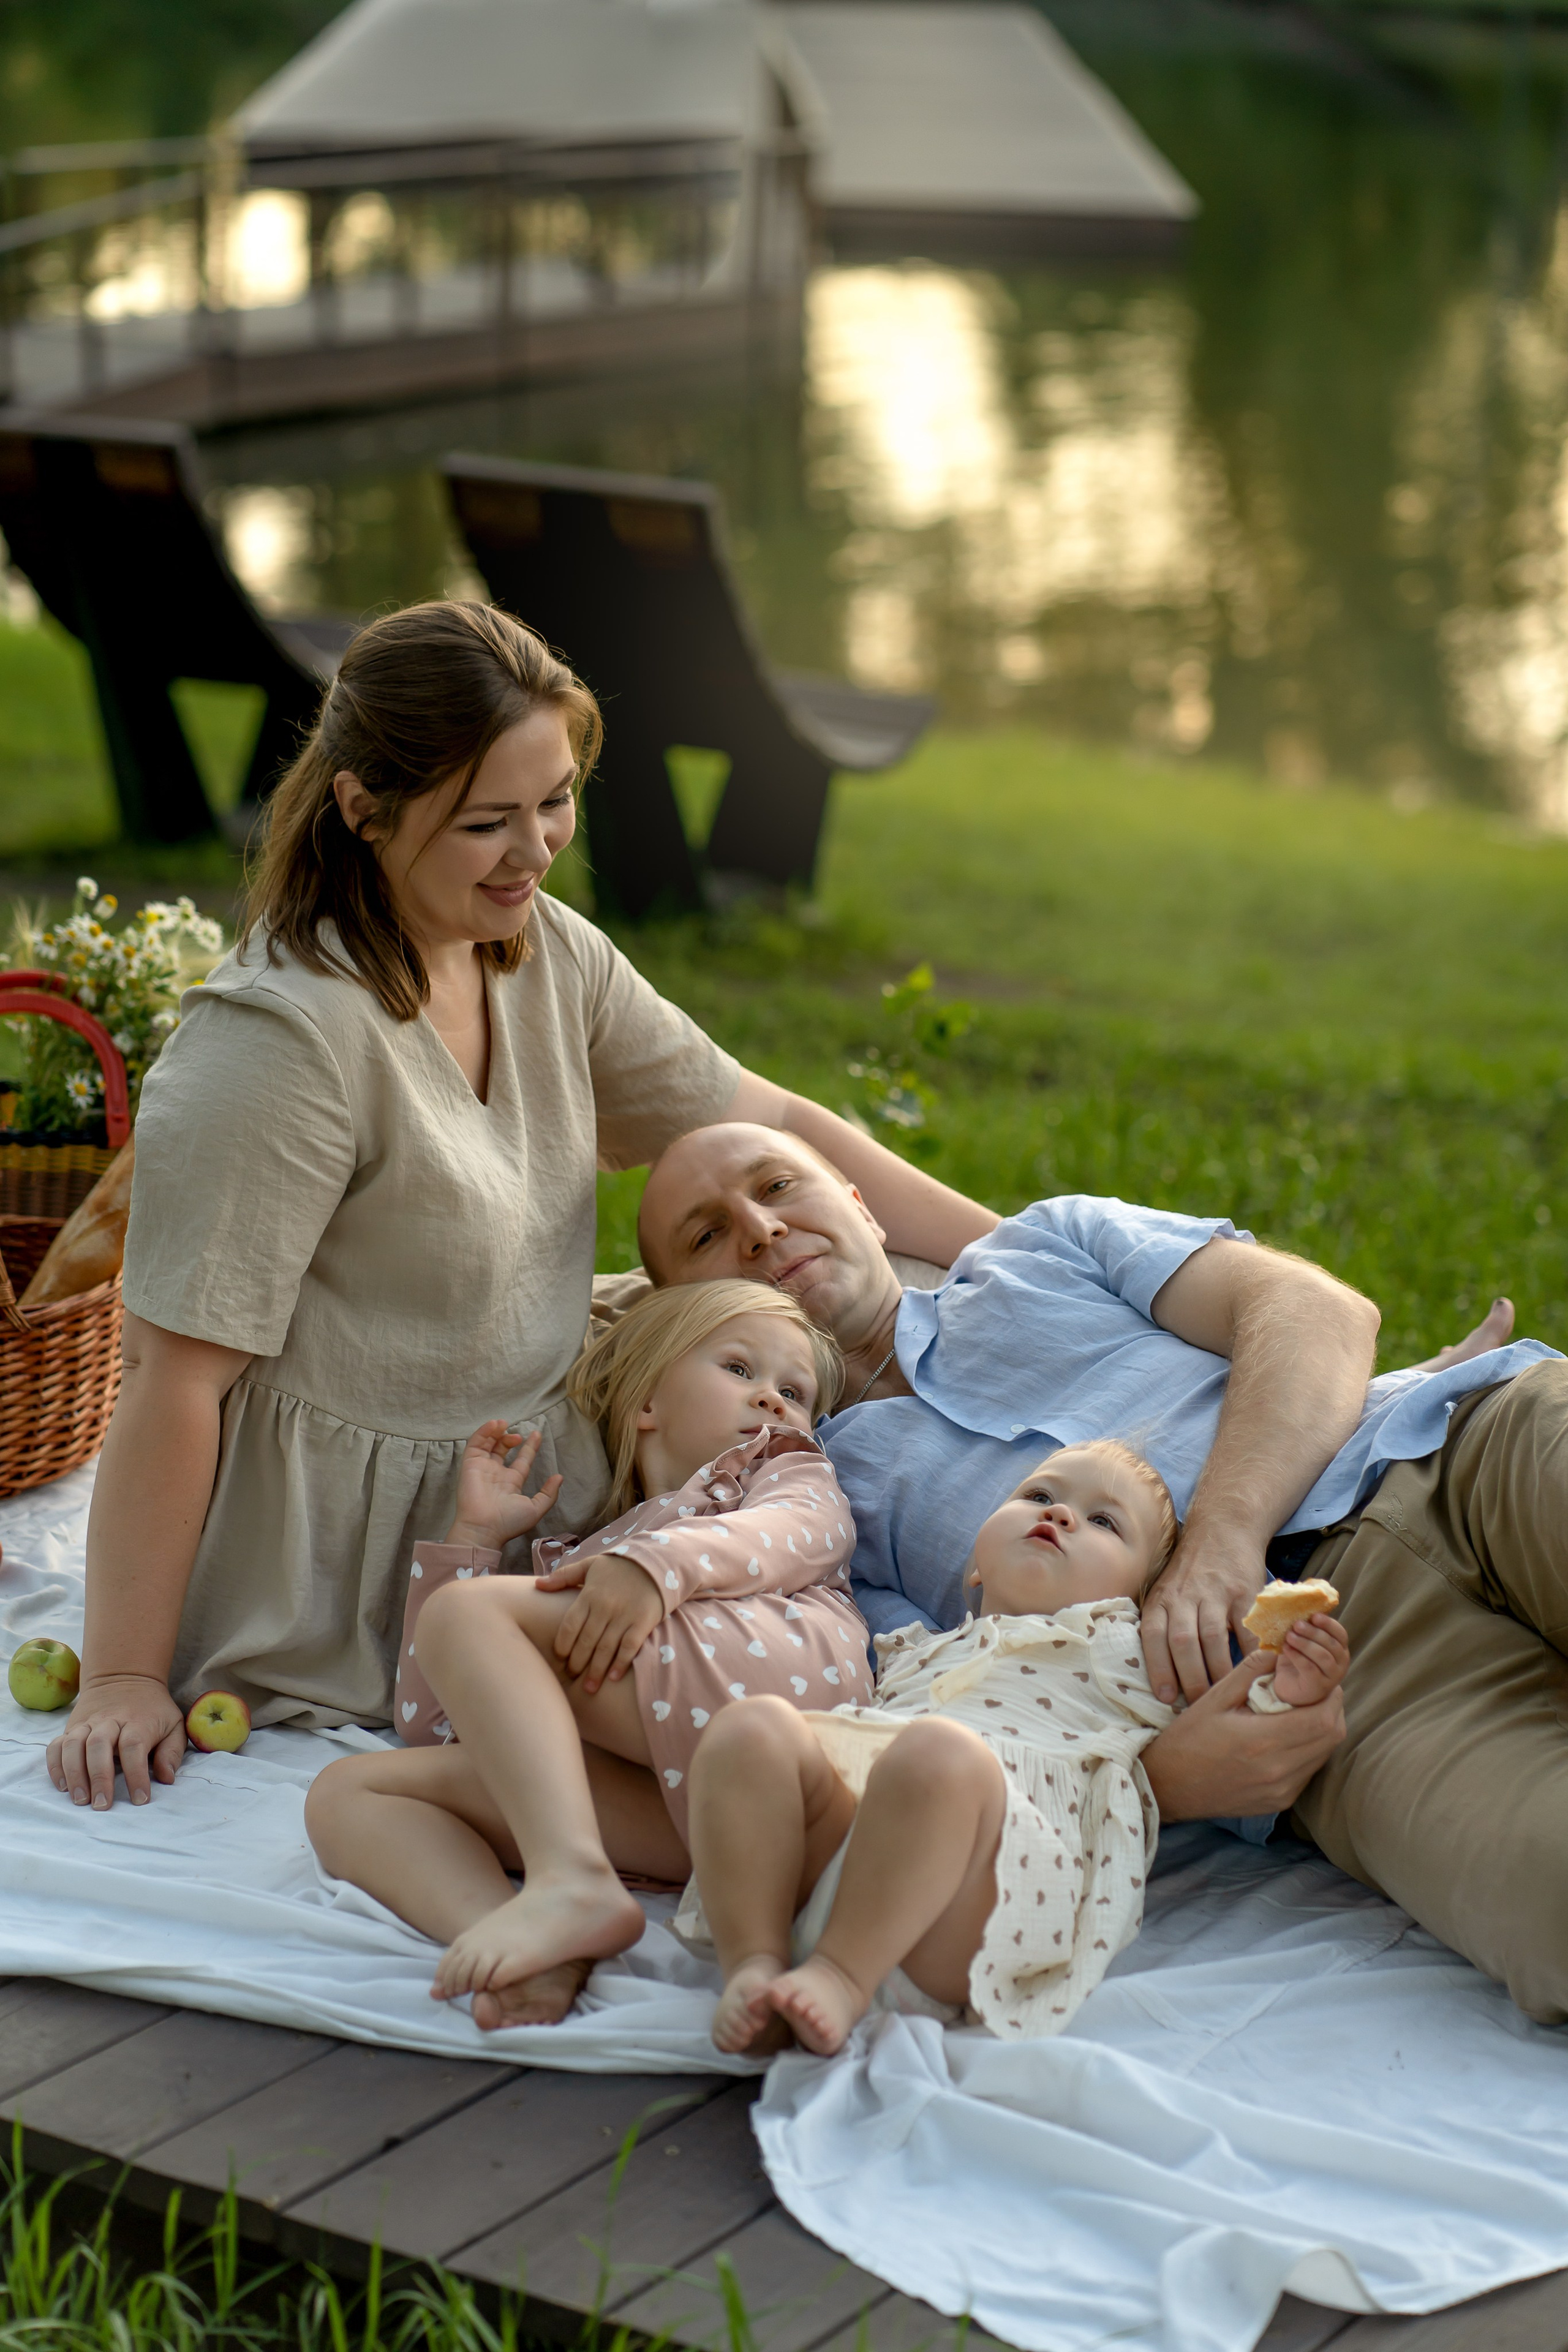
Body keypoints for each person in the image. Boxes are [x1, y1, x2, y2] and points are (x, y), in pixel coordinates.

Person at [46, 604, 988, 1816]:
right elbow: (175, 1378)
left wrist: (1006, 1247)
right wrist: (121, 1674)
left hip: (559, 1473)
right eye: (486, 823)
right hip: (356, 1565)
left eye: (554, 801)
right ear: (361, 808)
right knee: (745, 1685)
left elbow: (764, 1120)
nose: (534, 850)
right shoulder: (279, 1050)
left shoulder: (542, 953)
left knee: (835, 1410)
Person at [636, 1124, 1568, 2021]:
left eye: (776, 1186)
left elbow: (1315, 1312)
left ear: (858, 1203)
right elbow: (948, 1728)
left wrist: (1222, 1539)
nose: (760, 1229)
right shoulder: (813, 1517)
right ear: (685, 1310)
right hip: (1315, 1697)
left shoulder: (1047, 1243)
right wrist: (1159, 1777)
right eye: (708, 1235)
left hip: (1456, 1452)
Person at [304, 1281, 867, 2027]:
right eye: (739, 1370)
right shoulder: (583, 1561)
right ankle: (531, 1942)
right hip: (687, 1818)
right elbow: (436, 1719)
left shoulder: (777, 1470)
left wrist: (659, 1568)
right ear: (646, 1406)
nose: (772, 1401)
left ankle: (567, 1877)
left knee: (468, 1619)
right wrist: (474, 1540)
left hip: (776, 1718)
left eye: (793, 1391)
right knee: (350, 1793)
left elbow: (802, 1531)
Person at [688, 1439, 1349, 2058]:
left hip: (981, 1899)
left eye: (1104, 1523)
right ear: (976, 1564)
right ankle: (754, 1961)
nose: (1060, 1513)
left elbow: (1230, 1716)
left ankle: (839, 1977)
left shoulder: (1125, 1651)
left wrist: (1285, 1679)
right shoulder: (914, 1648)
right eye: (1038, 1497)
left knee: (938, 1756)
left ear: (1143, 1602)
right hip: (850, 1857)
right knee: (754, 1727)